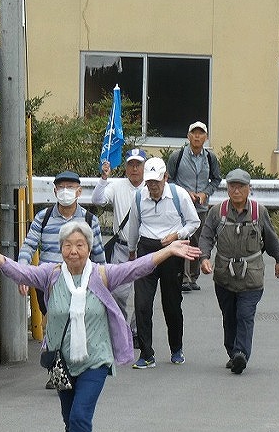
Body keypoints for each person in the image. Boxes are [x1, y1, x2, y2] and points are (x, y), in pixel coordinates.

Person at [0, 221, 200, 432]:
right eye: (68, 245)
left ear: (88, 248)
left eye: (79, 245)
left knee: (79, 416)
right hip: (62, 363)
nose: (73, 251)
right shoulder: (51, 275)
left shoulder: (102, 274)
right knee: (70, 421)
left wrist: (168, 251)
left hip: (95, 360)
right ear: (61, 248)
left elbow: (138, 267)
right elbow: (21, 272)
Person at [19, 170, 105, 388]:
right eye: (61, 187)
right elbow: (29, 246)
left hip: (80, 282)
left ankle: (78, 368)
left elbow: (99, 255)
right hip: (50, 281)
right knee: (54, 326)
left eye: (70, 187)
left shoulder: (89, 220)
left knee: (76, 322)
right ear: (55, 191)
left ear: (79, 191)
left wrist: (103, 285)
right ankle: (57, 370)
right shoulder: (43, 217)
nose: (66, 191)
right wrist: (22, 272)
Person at [198, 168, 279, 374]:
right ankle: (233, 352)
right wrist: (204, 258)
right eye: (232, 186)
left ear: (249, 189)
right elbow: (206, 237)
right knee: (229, 316)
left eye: (241, 187)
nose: (236, 191)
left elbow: (270, 238)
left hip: (251, 276)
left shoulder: (259, 212)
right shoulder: (217, 212)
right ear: (227, 188)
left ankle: (241, 354)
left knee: (245, 315)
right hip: (224, 276)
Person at [127, 158, 200, 368]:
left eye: (156, 182)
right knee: (142, 304)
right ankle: (146, 354)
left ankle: (176, 348)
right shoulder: (139, 196)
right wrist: (132, 251)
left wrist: (177, 235)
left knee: (172, 304)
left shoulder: (179, 195)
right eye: (149, 182)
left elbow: (194, 222)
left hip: (172, 251)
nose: (152, 186)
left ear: (166, 178)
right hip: (146, 249)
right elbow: (134, 226)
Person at [92, 147, 147, 326]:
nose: (134, 169)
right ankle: (120, 327)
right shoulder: (117, 186)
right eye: (131, 164)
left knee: (143, 295)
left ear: (144, 167)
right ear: (125, 167)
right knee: (118, 293)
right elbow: (98, 200)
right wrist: (104, 178)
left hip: (145, 248)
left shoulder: (151, 186)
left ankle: (137, 329)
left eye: (138, 164)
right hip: (122, 249)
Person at [169, 121, 222, 293]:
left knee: (198, 241)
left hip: (201, 207)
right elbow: (169, 180)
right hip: (181, 208)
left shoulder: (210, 158)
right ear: (188, 136)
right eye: (194, 133)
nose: (197, 136)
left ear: (206, 137)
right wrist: (185, 193)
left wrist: (205, 193)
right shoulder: (177, 156)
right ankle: (183, 278)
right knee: (184, 239)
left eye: (201, 133)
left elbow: (216, 179)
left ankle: (193, 276)